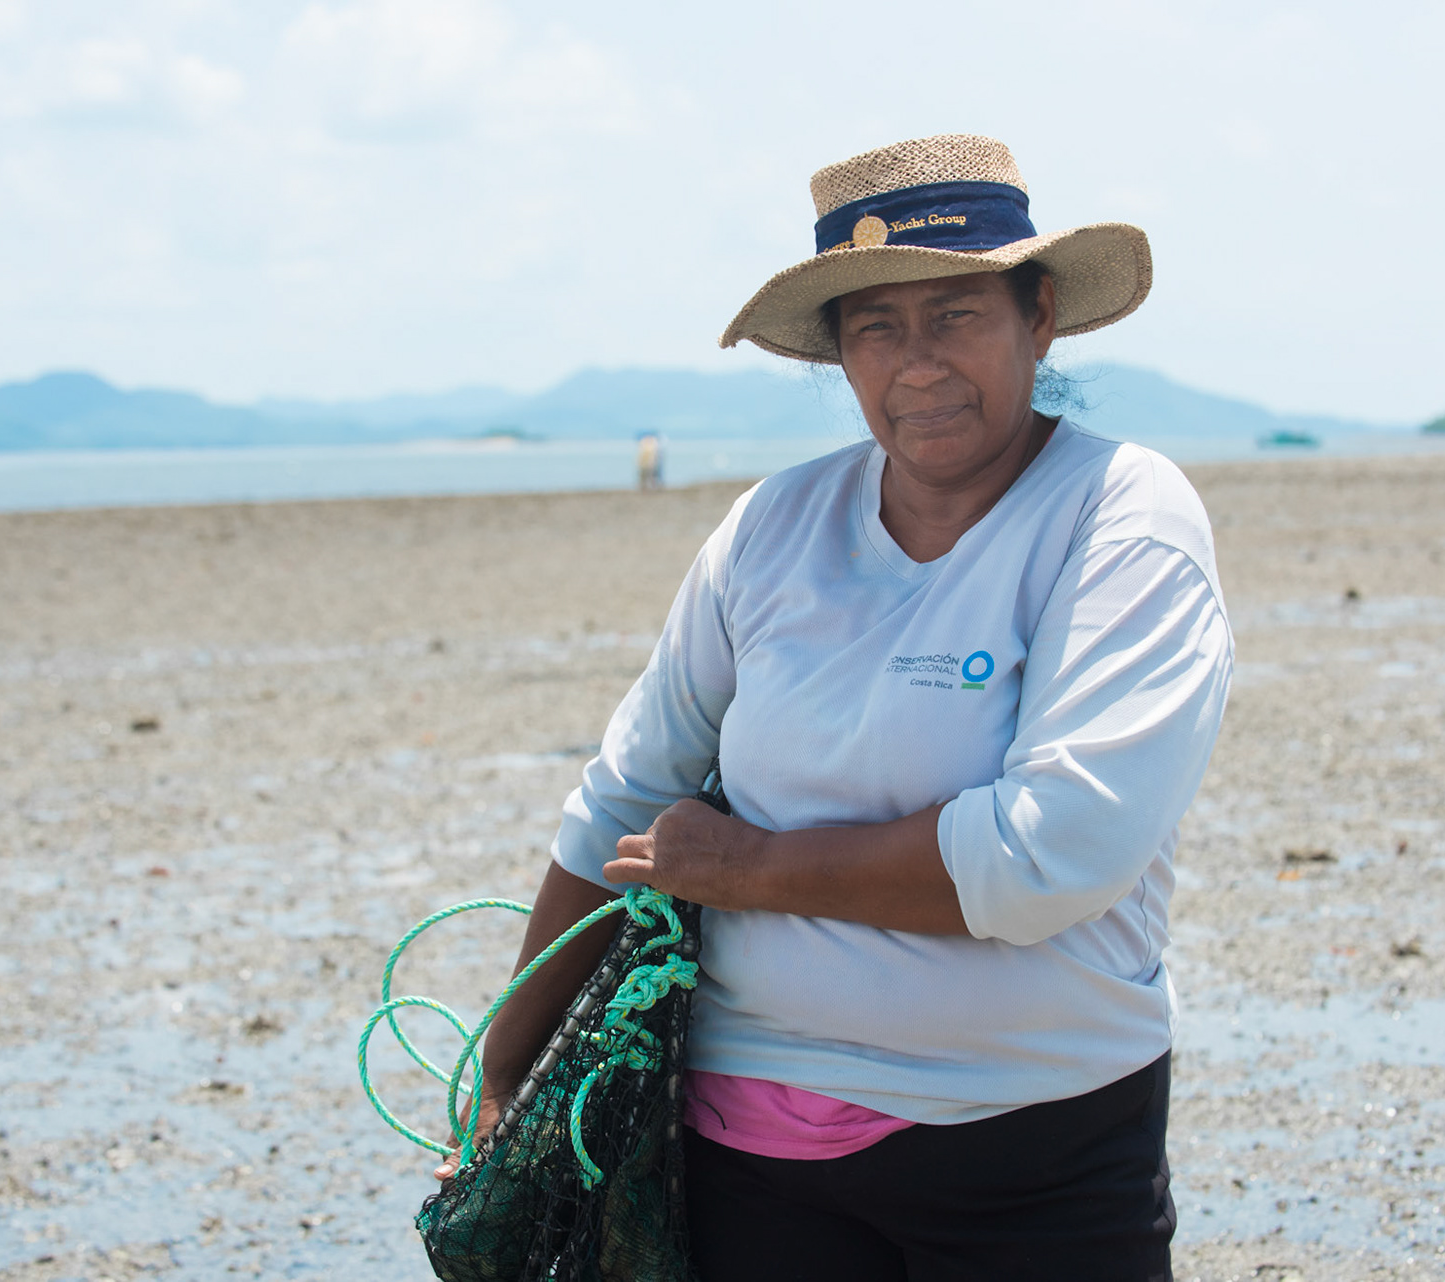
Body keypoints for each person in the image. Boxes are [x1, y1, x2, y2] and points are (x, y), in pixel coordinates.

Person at [443, 134, 1233, 1282]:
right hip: (743, 1152)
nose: (918, 363)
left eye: (955, 313)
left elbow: (1050, 855)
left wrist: (752, 868)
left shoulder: (1118, 514)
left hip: (1035, 1141)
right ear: (840, 353)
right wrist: (503, 1072)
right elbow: (625, 795)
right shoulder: (772, 528)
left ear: (1040, 314)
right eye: (876, 326)